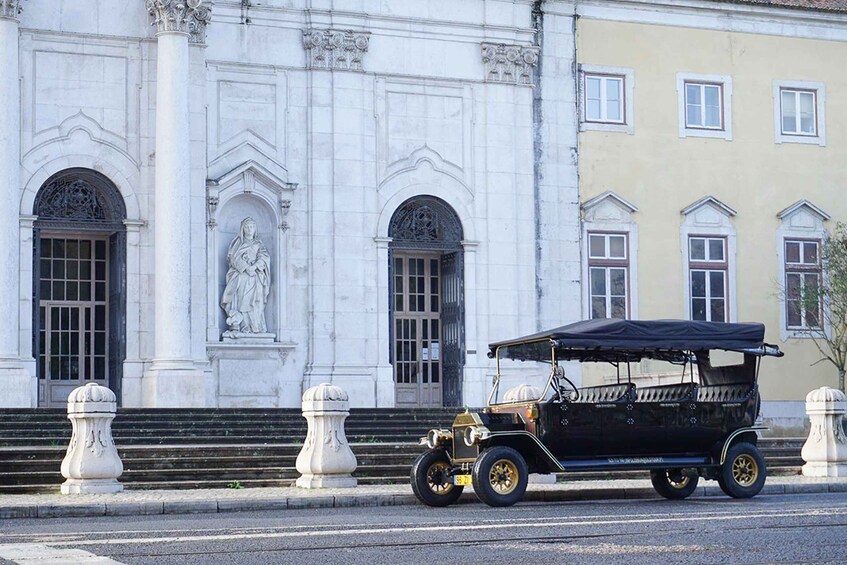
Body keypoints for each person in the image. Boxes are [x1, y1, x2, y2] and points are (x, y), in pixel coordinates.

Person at [221, 217, 271, 334]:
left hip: (255, 276)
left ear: (255, 229)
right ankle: (244, 325)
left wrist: (254, 266)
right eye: (247, 227)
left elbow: (264, 257)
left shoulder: (259, 244)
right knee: (242, 300)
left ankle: (255, 326)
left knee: (256, 301)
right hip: (241, 275)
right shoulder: (237, 243)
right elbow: (233, 257)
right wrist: (246, 267)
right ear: (243, 229)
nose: (249, 229)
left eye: (252, 227)